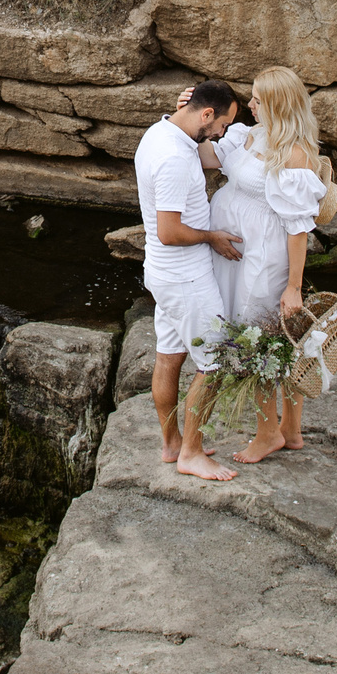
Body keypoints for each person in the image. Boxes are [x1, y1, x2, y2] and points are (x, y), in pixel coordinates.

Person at [205, 66, 337, 464]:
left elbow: (299, 228)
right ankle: (291, 431)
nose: (250, 104)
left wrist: (293, 287)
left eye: (258, 100)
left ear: (278, 104)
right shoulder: (253, 134)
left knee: (260, 338)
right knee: (277, 338)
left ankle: (267, 434)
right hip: (242, 254)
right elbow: (208, 156)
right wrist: (179, 120)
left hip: (264, 257)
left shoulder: (295, 152)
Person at [133, 79, 244, 482]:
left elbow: (206, 156)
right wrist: (211, 236)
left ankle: (172, 444)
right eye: (221, 126)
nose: (220, 135)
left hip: (164, 274)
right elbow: (170, 231)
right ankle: (192, 454)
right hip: (185, 276)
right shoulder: (176, 159)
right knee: (215, 362)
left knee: (169, 356)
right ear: (207, 114)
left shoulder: (160, 132)